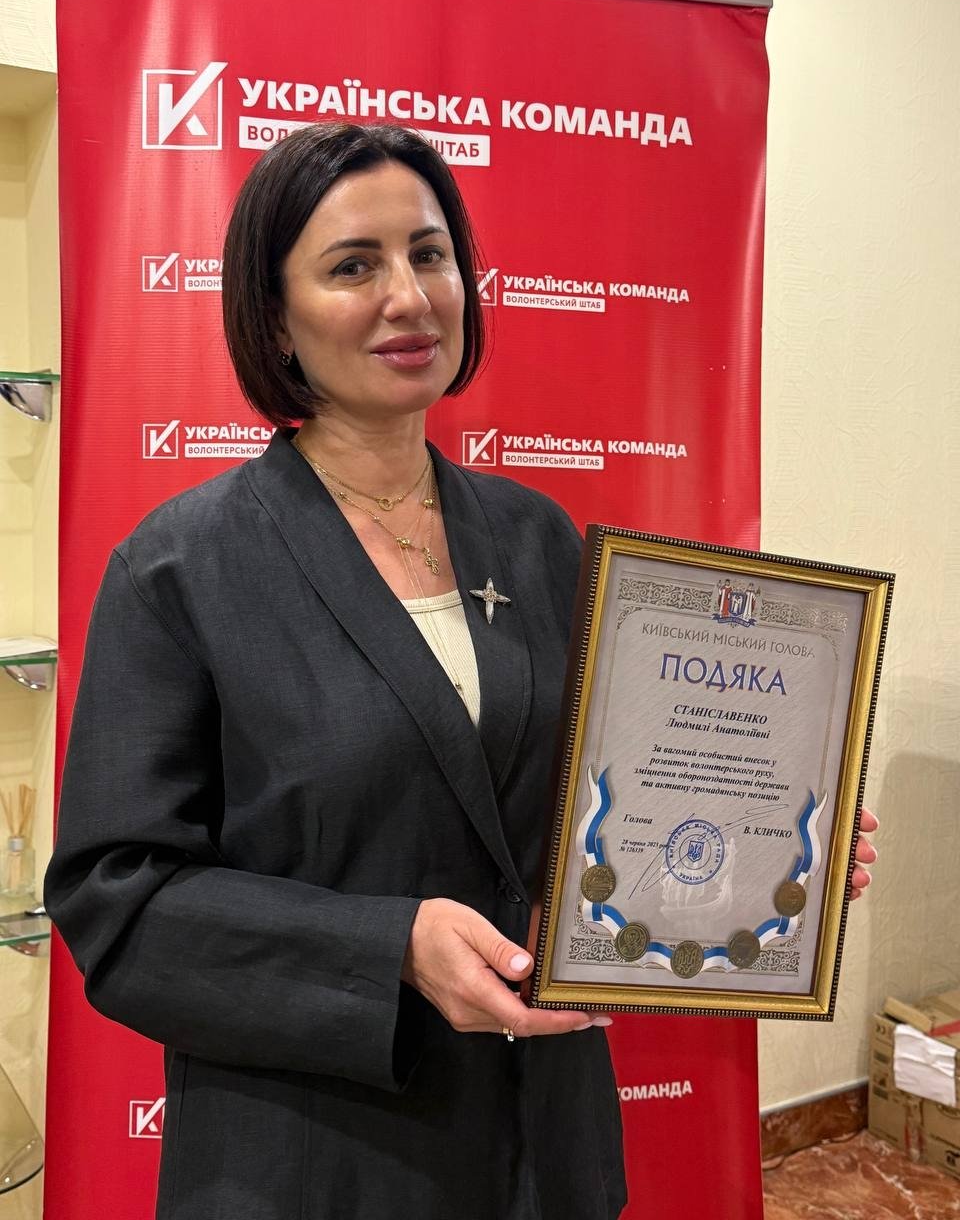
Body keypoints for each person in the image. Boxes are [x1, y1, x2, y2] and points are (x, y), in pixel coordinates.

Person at [45, 123, 878, 1220]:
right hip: (317, 1160)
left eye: (430, 254)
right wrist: (389, 947)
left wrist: (772, 839)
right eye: (354, 265)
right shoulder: (181, 568)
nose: (410, 296)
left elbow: (604, 819)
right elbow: (120, 904)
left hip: (543, 1146)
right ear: (276, 318)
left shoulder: (538, 537)